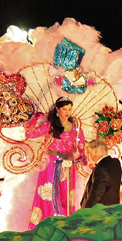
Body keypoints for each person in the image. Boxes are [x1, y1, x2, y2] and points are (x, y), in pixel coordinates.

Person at [25, 97, 86, 229]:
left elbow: (81, 146)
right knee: (48, 194)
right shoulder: (50, 125)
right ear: (57, 109)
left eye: (69, 109)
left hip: (68, 166)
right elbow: (30, 134)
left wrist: (81, 158)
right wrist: (34, 119)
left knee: (66, 196)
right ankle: (45, 227)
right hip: (51, 165)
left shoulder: (76, 128)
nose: (67, 112)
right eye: (64, 109)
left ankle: (64, 227)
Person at [80, 140, 122, 208]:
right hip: (111, 209)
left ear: (96, 151)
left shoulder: (102, 168)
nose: (87, 157)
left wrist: (85, 211)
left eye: (88, 153)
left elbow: (97, 194)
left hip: (99, 211)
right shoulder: (114, 163)